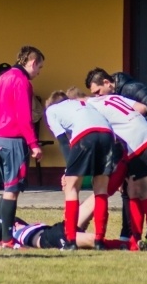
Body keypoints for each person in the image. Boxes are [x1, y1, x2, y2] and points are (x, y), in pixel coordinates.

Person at [86, 68, 147, 246]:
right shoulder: (111, 97)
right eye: (93, 94)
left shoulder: (132, 88)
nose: (97, 96)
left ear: (107, 82)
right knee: (129, 191)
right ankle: (130, 236)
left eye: (98, 92)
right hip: (133, 146)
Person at [79, 93, 147, 251]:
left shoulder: (90, 107)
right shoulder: (110, 97)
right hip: (139, 139)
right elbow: (142, 108)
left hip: (139, 141)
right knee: (132, 191)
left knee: (144, 191)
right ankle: (135, 238)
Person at [0, 45, 45, 249]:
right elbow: (24, 116)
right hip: (13, 140)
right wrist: (33, 144)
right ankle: (7, 240)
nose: (39, 72)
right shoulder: (22, 81)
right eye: (40, 67)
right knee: (12, 190)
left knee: (6, 190)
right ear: (32, 62)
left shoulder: (2, 78)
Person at [44, 91, 116, 251]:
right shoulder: (83, 104)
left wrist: (68, 170)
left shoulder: (51, 110)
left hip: (85, 135)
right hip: (107, 135)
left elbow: (63, 141)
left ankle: (70, 240)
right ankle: (99, 240)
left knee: (71, 187)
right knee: (101, 189)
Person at [12, 217, 126, 250]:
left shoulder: (28, 227)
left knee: (89, 204)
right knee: (93, 240)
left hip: (55, 230)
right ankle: (129, 244)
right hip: (50, 237)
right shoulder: (14, 234)